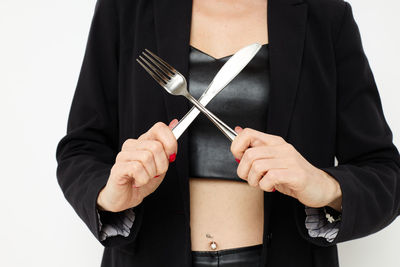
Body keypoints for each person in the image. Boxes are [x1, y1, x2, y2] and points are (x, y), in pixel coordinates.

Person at [55, 0, 400, 266]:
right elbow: (80, 149)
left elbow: (385, 174)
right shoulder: (126, 9)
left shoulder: (325, 15)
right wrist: (109, 197)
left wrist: (321, 185)